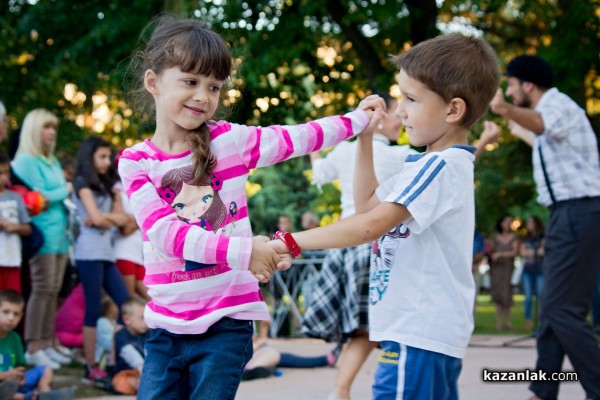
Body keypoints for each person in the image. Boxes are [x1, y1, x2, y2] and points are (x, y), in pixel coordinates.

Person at [117, 15, 381, 400]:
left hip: (228, 320)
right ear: (154, 82)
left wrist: (359, 120)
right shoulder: (136, 161)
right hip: (166, 327)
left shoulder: (230, 141)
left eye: (214, 87)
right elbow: (165, 235)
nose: (203, 96)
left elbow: (300, 137)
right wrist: (247, 251)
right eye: (190, 82)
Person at [268, 33, 500, 400]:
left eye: (411, 99)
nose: (400, 110)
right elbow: (368, 206)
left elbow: (369, 226)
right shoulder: (429, 163)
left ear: (453, 110)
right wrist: (364, 138)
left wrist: (289, 242)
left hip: (418, 331)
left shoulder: (438, 167)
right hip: (415, 330)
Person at [490, 54, 600, 400]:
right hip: (569, 214)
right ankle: (542, 391)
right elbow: (541, 138)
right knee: (555, 308)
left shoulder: (558, 105)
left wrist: (506, 110)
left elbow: (541, 124)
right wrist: (514, 127)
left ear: (527, 84)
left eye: (510, 84)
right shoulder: (551, 117)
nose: (508, 90)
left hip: (579, 210)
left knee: (561, 308)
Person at [305, 90, 417, 400]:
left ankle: (341, 390)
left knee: (364, 330)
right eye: (396, 112)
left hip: (345, 245)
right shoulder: (400, 157)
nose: (401, 119)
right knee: (378, 326)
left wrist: (317, 146)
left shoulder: (343, 151)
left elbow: (318, 174)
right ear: (379, 119)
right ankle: (366, 387)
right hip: (377, 247)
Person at [10, 109, 72, 370]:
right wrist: (65, 189)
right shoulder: (25, 160)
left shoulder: (52, 160)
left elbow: (50, 196)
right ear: (35, 131)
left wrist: (57, 193)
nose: (51, 133)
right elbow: (41, 197)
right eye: (46, 128)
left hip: (60, 236)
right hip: (42, 235)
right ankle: (34, 345)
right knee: (42, 288)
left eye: (53, 128)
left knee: (53, 290)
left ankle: (47, 342)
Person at [71, 136, 130, 385]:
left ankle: (117, 359)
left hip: (106, 253)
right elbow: (95, 218)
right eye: (102, 157)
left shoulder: (109, 186)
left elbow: (123, 220)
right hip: (88, 253)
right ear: (90, 157)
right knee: (94, 308)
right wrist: (109, 218)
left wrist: (104, 217)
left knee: (125, 304)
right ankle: (90, 366)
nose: (107, 162)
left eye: (109, 157)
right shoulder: (82, 182)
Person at [0, 289, 74, 400]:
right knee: (5, 392)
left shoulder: (15, 338)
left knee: (45, 370)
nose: (11, 318)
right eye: (6, 312)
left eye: (16, 314)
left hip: (12, 383)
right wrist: (5, 376)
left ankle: (45, 393)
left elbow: (19, 365)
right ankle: (30, 397)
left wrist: (19, 376)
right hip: (3, 384)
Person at [242, 319, 341, 381]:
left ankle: (327, 359)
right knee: (273, 354)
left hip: (249, 356)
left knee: (281, 356)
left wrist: (261, 337)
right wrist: (261, 340)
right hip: (243, 360)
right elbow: (243, 348)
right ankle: (247, 372)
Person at [112, 150, 149, 300]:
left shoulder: (138, 189)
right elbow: (125, 229)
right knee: (129, 299)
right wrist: (139, 220)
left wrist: (132, 219)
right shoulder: (116, 191)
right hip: (123, 252)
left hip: (138, 253)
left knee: (150, 297)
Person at [0, 152, 32, 293]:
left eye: (6, 172)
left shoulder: (15, 197)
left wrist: (15, 227)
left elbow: (27, 228)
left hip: (12, 259)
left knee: (12, 298)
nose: (3, 177)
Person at [111, 297, 149, 396]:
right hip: (126, 372)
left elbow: (150, 352)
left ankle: (147, 387)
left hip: (146, 372)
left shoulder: (148, 333)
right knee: (120, 382)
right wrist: (143, 370)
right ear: (127, 319)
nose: (146, 322)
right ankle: (146, 388)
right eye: (142, 318)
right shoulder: (121, 335)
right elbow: (130, 354)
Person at [488, 214, 519, 331]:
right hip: (496, 268)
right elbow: (490, 251)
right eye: (506, 221)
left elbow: (515, 252)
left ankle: (508, 322)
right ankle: (498, 322)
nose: (508, 224)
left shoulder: (514, 237)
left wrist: (501, 254)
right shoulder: (494, 236)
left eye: (510, 222)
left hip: (508, 268)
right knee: (498, 293)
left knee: (507, 292)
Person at [520, 215, 545, 332]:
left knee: (541, 295)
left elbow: (543, 252)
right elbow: (522, 252)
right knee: (528, 296)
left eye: (530, 222)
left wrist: (531, 252)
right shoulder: (526, 238)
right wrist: (536, 252)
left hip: (540, 270)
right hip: (528, 270)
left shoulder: (543, 237)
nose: (528, 225)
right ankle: (528, 320)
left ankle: (541, 321)